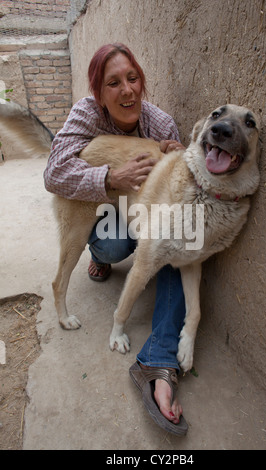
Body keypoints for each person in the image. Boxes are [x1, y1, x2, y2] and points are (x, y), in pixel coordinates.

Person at [44, 43, 188, 435]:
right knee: (111, 245)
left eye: (132, 78)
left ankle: (159, 361)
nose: (127, 90)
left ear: (142, 82)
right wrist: (109, 178)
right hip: (99, 202)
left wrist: (177, 159)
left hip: (140, 212)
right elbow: (53, 174)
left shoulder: (161, 126)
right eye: (114, 83)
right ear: (99, 94)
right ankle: (93, 263)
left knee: (173, 243)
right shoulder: (85, 114)